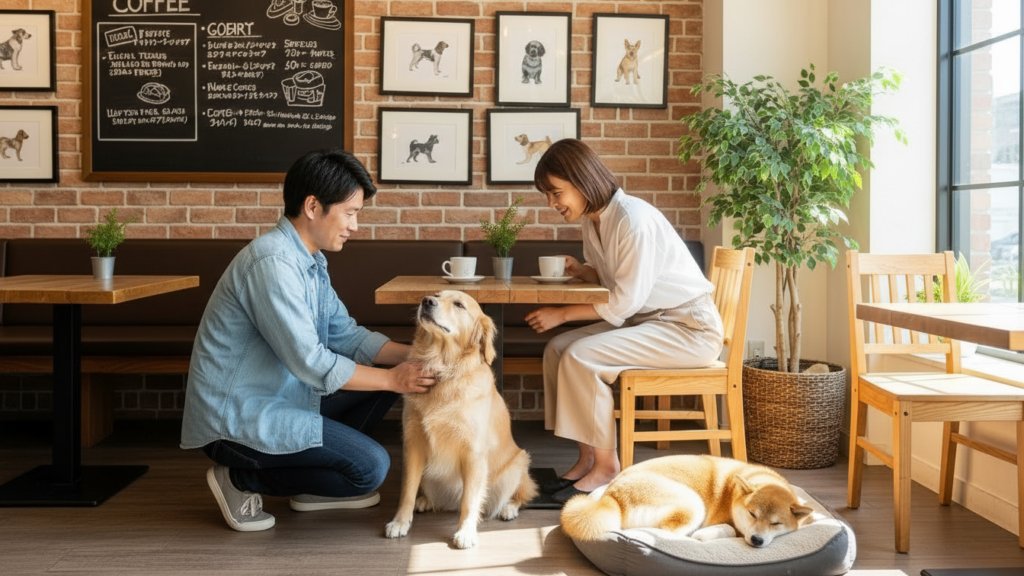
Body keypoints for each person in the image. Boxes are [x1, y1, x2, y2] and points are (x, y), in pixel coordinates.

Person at [180, 149, 436, 532]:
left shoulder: (309, 262)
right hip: (236, 420)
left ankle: (314, 479)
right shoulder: (273, 263)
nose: (354, 225)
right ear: (313, 206)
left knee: (390, 374)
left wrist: (419, 358)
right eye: (349, 213)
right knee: (370, 470)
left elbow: (346, 335)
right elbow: (310, 362)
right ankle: (239, 480)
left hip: (285, 396)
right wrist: (393, 378)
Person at [524, 139, 724, 504]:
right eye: (548, 196)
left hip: (688, 329)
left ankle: (607, 466)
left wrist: (562, 314)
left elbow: (625, 299)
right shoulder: (596, 220)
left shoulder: (633, 219)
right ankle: (586, 458)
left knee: (582, 355)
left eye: (556, 193)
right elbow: (619, 281)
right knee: (559, 348)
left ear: (581, 181)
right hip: (650, 322)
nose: (552, 204)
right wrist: (585, 271)